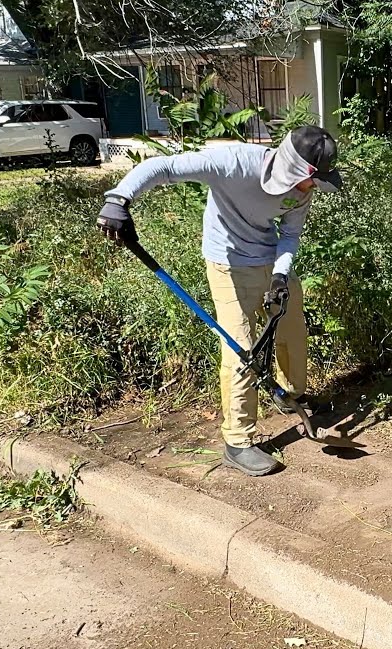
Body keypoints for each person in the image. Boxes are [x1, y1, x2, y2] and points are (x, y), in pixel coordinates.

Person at [96, 126, 342, 477]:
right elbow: (162, 167)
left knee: (293, 329)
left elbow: (289, 234)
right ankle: (238, 441)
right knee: (242, 349)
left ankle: (291, 396)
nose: (309, 190)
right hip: (229, 263)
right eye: (307, 182)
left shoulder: (305, 189)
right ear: (289, 169)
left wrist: (281, 275)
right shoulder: (233, 163)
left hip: (270, 260)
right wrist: (119, 199)